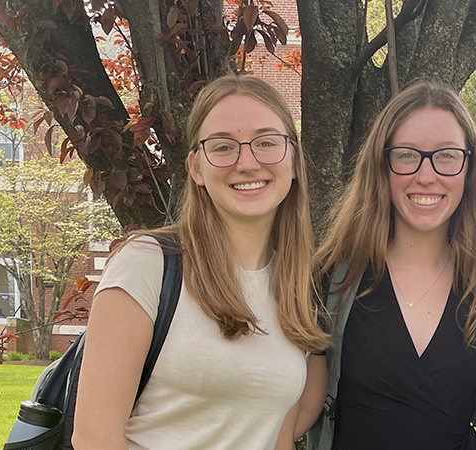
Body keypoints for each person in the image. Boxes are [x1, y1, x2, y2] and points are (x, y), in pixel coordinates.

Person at [72, 75, 329, 450]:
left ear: (293, 160)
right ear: (196, 168)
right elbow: (95, 438)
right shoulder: (147, 265)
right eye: (223, 147)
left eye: (267, 143)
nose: (247, 162)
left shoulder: (295, 287)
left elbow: (277, 437)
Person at [310, 80, 476, 450]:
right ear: (382, 165)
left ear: (468, 168)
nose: (427, 175)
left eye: (447, 155)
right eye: (407, 155)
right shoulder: (330, 282)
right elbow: (286, 406)